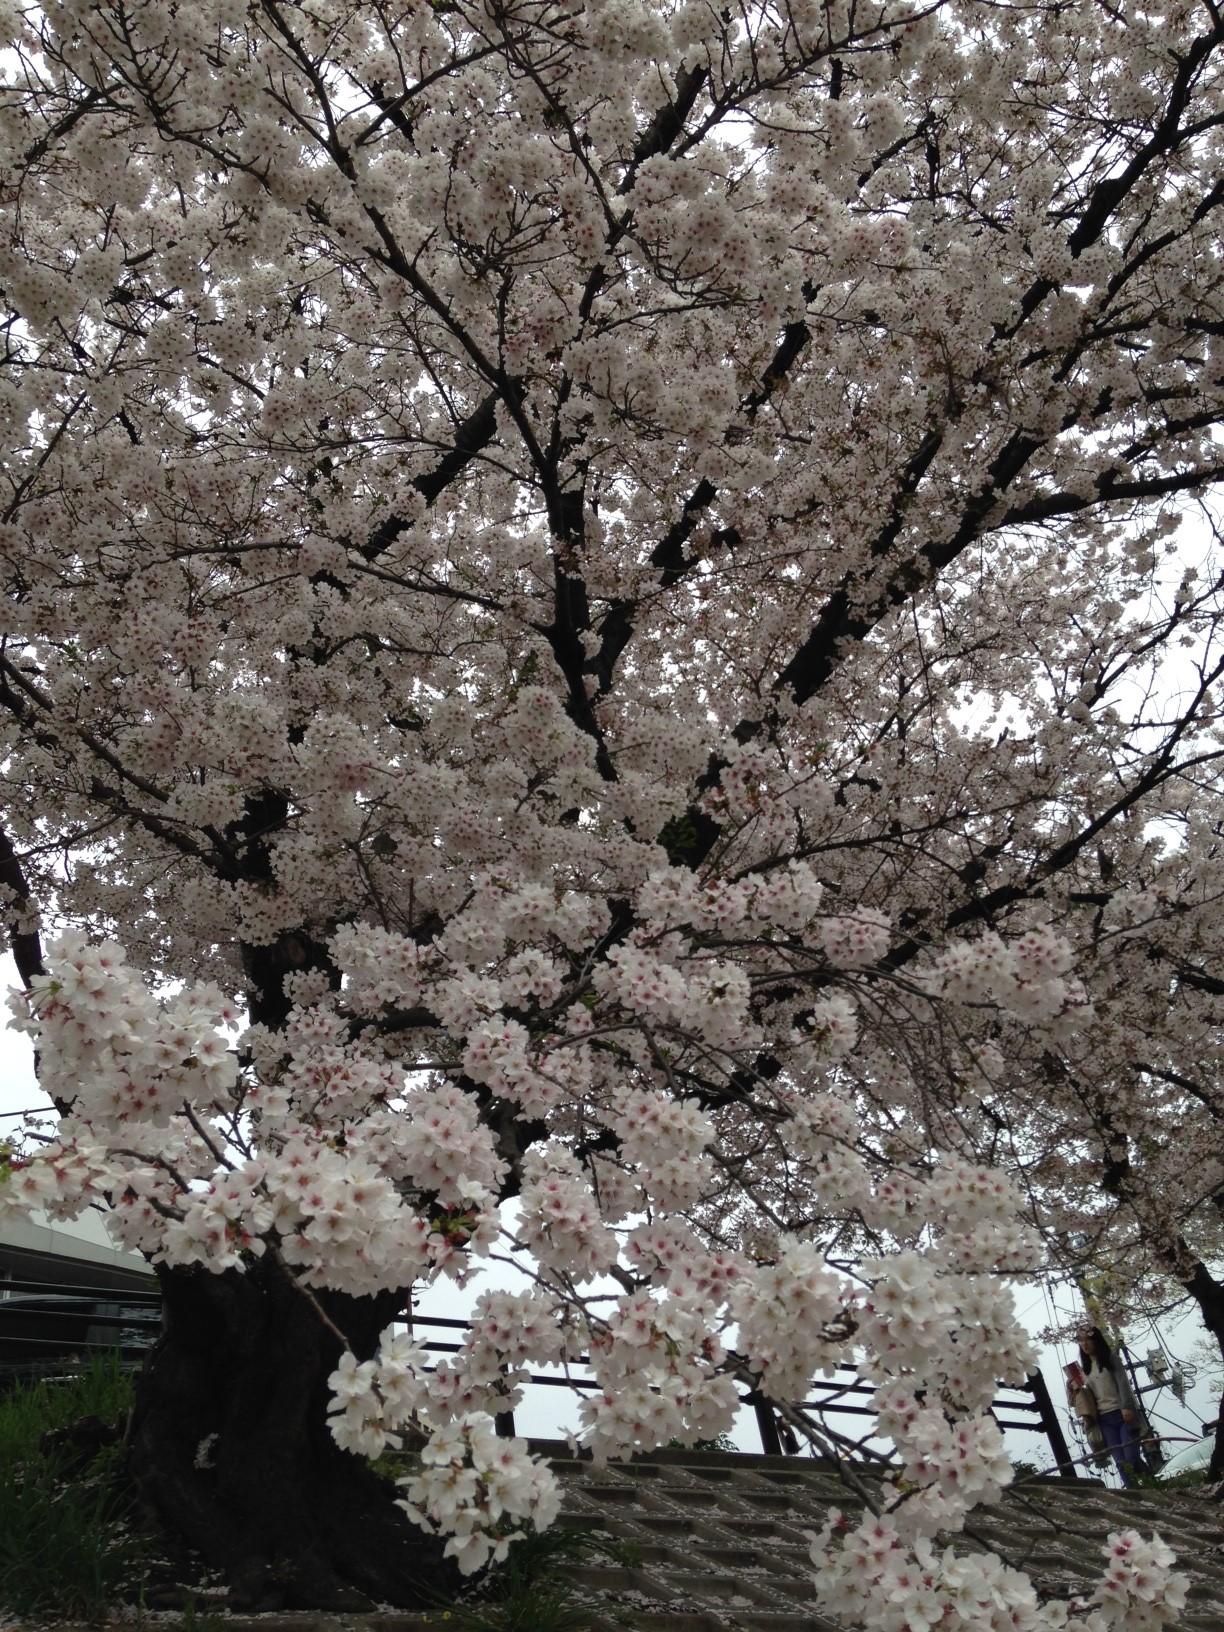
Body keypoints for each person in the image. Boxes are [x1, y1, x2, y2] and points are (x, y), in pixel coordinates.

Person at [1075, 1327, 1144, 1486]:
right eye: (1080, 1341)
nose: (1084, 1344)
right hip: (1104, 1420)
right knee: (1120, 1462)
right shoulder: (1083, 1369)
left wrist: (1126, 1406)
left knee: (1131, 1457)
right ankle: (1135, 1493)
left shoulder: (1111, 1359)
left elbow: (1123, 1383)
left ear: (1096, 1340)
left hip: (1122, 1414)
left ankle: (1149, 1480)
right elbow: (1085, 1396)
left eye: (1088, 1339)